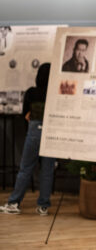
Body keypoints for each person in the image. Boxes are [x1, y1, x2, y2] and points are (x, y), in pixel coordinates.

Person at [0, 63, 56, 216]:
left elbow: (25, 115)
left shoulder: (32, 92)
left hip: (34, 132)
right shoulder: (55, 93)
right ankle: (43, 206)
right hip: (51, 132)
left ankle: (14, 203)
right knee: (47, 170)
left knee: (25, 168)